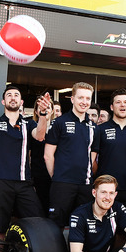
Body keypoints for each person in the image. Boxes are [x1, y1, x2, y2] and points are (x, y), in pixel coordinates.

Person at [0, 83, 52, 241]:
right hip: (1, 182)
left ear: (21, 102)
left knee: (37, 220)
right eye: (9, 95)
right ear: (3, 102)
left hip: (24, 183)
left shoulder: (28, 124)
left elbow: (40, 136)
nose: (13, 98)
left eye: (16, 95)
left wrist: (42, 114)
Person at [44, 82, 96, 229]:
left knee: (82, 225)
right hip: (62, 183)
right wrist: (57, 177)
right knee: (56, 225)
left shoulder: (93, 127)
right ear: (72, 99)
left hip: (85, 184)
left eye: (87, 98)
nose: (84, 102)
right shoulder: (59, 122)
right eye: (80, 98)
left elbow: (92, 156)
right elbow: (48, 155)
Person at [91, 89, 126, 204]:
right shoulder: (100, 129)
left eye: (125, 102)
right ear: (111, 107)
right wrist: (100, 174)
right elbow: (92, 159)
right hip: (104, 189)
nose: (122, 105)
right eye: (118, 102)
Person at [30, 96, 56, 216]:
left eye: (48, 107)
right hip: (38, 175)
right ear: (36, 111)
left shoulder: (58, 129)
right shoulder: (32, 128)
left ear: (52, 110)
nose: (45, 109)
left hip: (56, 175)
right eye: (41, 108)